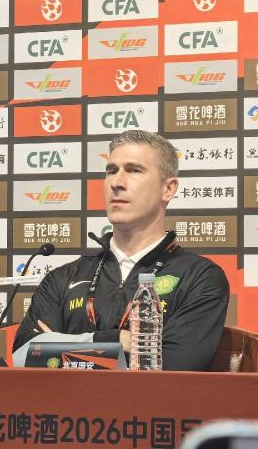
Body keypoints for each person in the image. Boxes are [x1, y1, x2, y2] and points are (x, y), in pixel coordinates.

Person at [13, 130, 229, 370]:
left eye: (134, 170)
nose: (117, 182)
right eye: (111, 171)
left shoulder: (200, 278)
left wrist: (60, 348)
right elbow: (24, 356)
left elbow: (171, 368)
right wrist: (115, 340)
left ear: (168, 189)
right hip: (65, 398)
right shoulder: (63, 278)